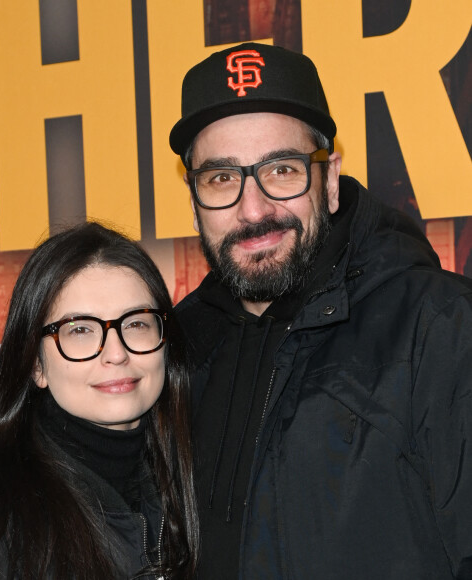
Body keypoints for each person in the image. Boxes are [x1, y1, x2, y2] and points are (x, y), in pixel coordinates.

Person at [169, 42, 472, 579]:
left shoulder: (441, 327)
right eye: (221, 178)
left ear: (329, 179)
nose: (253, 208)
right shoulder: (174, 353)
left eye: (282, 170)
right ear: (193, 200)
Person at [0, 222, 198, 579]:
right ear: (36, 364)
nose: (116, 353)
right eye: (80, 330)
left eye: (136, 323)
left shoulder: (196, 478)